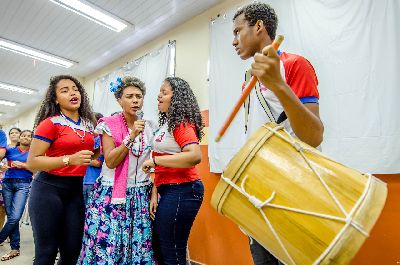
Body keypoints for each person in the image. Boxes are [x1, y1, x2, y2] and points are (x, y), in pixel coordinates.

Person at [231, 3, 324, 265]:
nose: (233, 41)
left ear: (259, 26)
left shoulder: (294, 64)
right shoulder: (247, 78)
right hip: (260, 192)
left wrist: (278, 84)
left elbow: (314, 136)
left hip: (295, 190)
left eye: (237, 32)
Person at [77, 76, 158, 264]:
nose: (135, 100)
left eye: (139, 96)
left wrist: (153, 192)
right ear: (119, 100)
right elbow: (111, 161)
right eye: (129, 96)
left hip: (140, 195)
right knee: (109, 244)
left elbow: (156, 163)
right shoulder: (108, 124)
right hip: (112, 195)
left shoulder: (150, 127)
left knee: (136, 245)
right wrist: (131, 136)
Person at [27, 75, 98, 265]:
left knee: (72, 252)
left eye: (75, 88)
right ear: (56, 99)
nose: (72, 92)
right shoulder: (50, 123)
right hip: (47, 189)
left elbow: (90, 153)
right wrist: (70, 160)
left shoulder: (89, 125)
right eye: (64, 90)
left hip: (75, 191)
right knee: (46, 253)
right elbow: (32, 162)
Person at [142, 77, 204, 265]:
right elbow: (163, 167)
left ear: (176, 98)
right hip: (168, 190)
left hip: (183, 189)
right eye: (159, 92)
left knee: (172, 253)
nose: (159, 96)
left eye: (164, 92)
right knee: (162, 248)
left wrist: (154, 161)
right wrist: (155, 191)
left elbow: (194, 156)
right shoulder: (166, 125)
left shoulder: (181, 124)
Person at [0, 130, 33, 260]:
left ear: (32, 139)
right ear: (19, 137)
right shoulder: (10, 150)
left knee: (15, 217)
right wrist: (2, 167)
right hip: (7, 184)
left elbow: (36, 169)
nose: (26, 138)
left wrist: (24, 166)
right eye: (23, 135)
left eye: (29, 136)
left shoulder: (34, 153)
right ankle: (15, 248)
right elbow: (1, 159)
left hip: (24, 184)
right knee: (11, 216)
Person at [82, 112, 104, 205]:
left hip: (93, 181)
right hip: (82, 181)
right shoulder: (84, 138)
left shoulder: (100, 139)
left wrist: (80, 158)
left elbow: (97, 163)